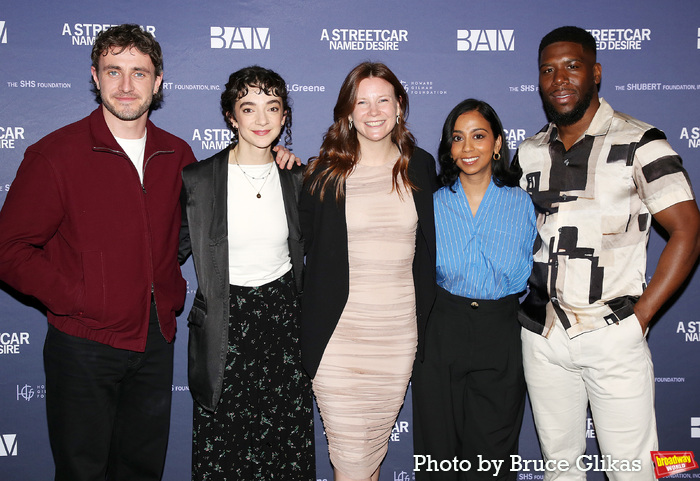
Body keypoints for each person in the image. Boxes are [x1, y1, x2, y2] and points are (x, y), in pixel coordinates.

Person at [0, 24, 197, 481]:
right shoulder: (55, 154)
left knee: (141, 470)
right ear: (95, 77)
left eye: (139, 73)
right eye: (114, 71)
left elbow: (188, 229)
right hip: (83, 343)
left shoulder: (177, 153)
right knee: (82, 471)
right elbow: (8, 247)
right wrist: (78, 296)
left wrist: (166, 286)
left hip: (155, 341)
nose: (126, 86)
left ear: (158, 81)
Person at [514, 26, 700, 480]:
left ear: (595, 72)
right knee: (560, 468)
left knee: (632, 471)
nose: (560, 79)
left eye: (572, 66)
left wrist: (640, 318)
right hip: (543, 336)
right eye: (548, 70)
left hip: (613, 331)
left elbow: (688, 230)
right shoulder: (528, 151)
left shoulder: (641, 141)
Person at [299, 61, 437, 481]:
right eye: (362, 102)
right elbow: (300, 244)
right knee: (352, 461)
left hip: (397, 338)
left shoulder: (421, 167)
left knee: (370, 458)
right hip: (338, 340)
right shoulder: (324, 174)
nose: (373, 111)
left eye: (383, 100)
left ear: (399, 107)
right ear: (347, 111)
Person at [178, 65, 314, 480]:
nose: (261, 120)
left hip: (283, 325)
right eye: (248, 108)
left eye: (272, 108)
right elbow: (167, 249)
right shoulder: (198, 179)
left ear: (284, 116)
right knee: (225, 454)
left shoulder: (297, 179)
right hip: (225, 325)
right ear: (231, 117)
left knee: (284, 451)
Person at [412, 99, 536, 481]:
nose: (468, 148)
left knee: (492, 460)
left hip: (501, 333)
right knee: (437, 455)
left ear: (498, 143)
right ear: (448, 148)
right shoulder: (430, 204)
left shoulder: (525, 202)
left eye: (479, 136)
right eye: (458, 138)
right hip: (441, 330)